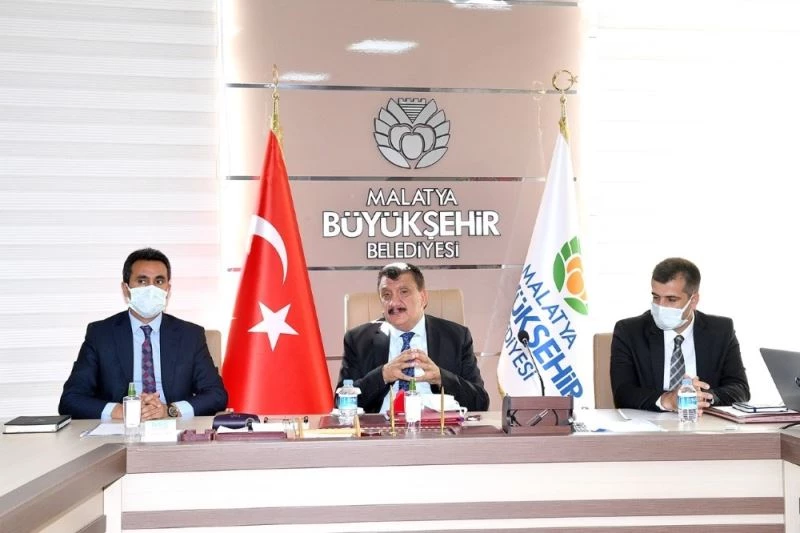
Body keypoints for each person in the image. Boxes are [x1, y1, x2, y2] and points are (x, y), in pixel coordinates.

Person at [59, 248, 228, 420]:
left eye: (159, 281)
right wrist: (120, 411)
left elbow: (216, 395)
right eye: (142, 281)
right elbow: (71, 399)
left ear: (167, 289)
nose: (151, 289)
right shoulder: (101, 334)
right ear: (126, 289)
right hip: (120, 427)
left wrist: (169, 410)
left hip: (172, 425)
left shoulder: (190, 335)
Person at [337, 262, 489, 413]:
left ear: (423, 298)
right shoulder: (358, 340)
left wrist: (441, 378)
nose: (394, 302)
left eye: (404, 292)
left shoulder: (456, 337)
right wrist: (382, 375)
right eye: (386, 295)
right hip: (382, 425)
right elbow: (340, 403)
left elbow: (480, 402)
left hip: (439, 425)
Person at [610, 257, 749, 412]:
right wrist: (668, 400)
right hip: (649, 423)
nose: (660, 306)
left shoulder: (721, 330)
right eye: (656, 297)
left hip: (703, 422)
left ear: (693, 300)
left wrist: (700, 397)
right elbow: (623, 393)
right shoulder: (629, 331)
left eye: (671, 299)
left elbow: (740, 389)